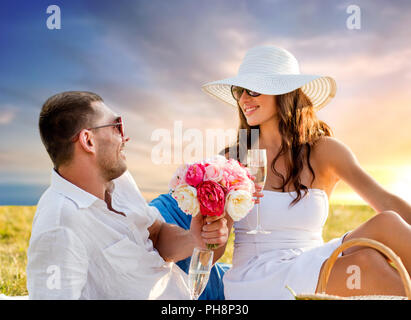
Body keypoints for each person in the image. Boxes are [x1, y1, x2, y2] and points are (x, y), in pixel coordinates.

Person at [201, 45, 411, 299]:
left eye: (253, 89)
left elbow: (386, 200)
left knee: (387, 222)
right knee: (365, 263)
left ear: (284, 92)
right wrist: (213, 232)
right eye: (239, 90)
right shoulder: (232, 160)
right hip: (258, 277)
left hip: (312, 259)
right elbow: (214, 251)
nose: (244, 98)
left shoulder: (325, 151)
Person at [27, 91, 229, 299]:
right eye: (116, 126)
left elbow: (156, 235)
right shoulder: (59, 226)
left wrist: (194, 239)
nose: (125, 137)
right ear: (88, 141)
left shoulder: (118, 180)